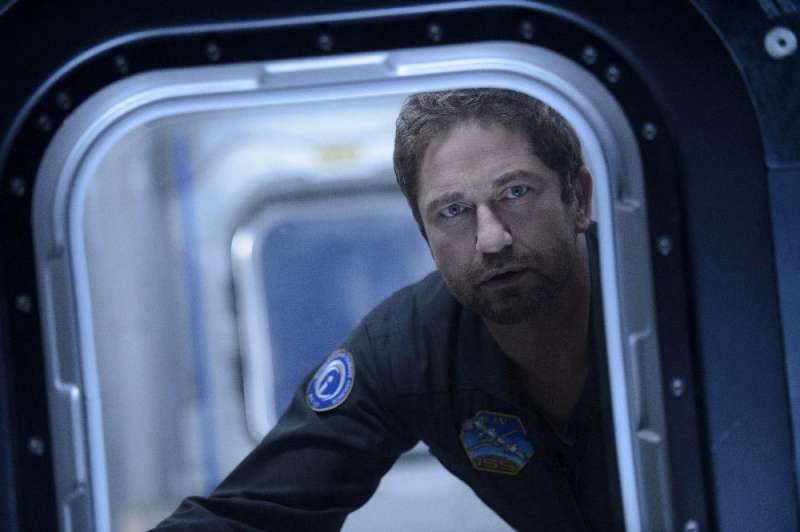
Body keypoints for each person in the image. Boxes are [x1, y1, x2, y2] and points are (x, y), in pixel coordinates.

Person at [153, 88, 622, 531]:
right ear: (425, 235)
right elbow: (257, 513)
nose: (491, 239)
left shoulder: (652, 301)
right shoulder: (410, 347)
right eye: (453, 211)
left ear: (579, 198)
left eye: (516, 192)